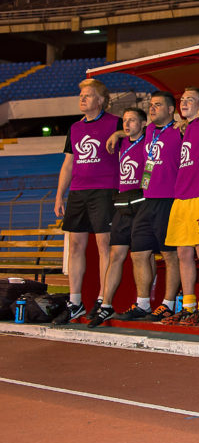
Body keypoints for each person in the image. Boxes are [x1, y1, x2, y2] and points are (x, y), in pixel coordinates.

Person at [109, 91, 182, 322]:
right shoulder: (149, 130)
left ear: (171, 110)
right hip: (146, 199)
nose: (152, 108)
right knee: (138, 253)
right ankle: (142, 303)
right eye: (151, 105)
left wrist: (184, 119)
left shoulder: (179, 129)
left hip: (169, 199)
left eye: (158, 105)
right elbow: (132, 131)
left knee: (170, 255)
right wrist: (118, 132)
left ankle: (168, 304)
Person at [52, 79, 119, 324]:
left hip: (104, 190)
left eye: (88, 95)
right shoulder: (75, 128)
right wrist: (60, 194)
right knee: (76, 246)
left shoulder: (115, 123)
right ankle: (75, 301)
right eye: (81, 95)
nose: (82, 99)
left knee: (104, 246)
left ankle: (103, 298)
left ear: (100, 100)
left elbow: (136, 137)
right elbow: (68, 163)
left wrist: (121, 132)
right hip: (78, 192)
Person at [162, 87, 199, 325]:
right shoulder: (183, 128)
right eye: (182, 99)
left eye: (190, 99)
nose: (184, 102)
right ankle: (188, 306)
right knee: (183, 253)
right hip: (181, 198)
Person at [88, 107, 147, 327]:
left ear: (142, 124)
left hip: (142, 201)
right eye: (125, 120)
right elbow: (122, 134)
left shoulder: (148, 138)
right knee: (116, 255)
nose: (127, 124)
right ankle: (106, 305)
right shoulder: (121, 142)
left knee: (142, 254)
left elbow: (152, 128)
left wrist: (119, 133)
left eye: (133, 120)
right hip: (122, 203)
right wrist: (119, 134)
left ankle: (144, 303)